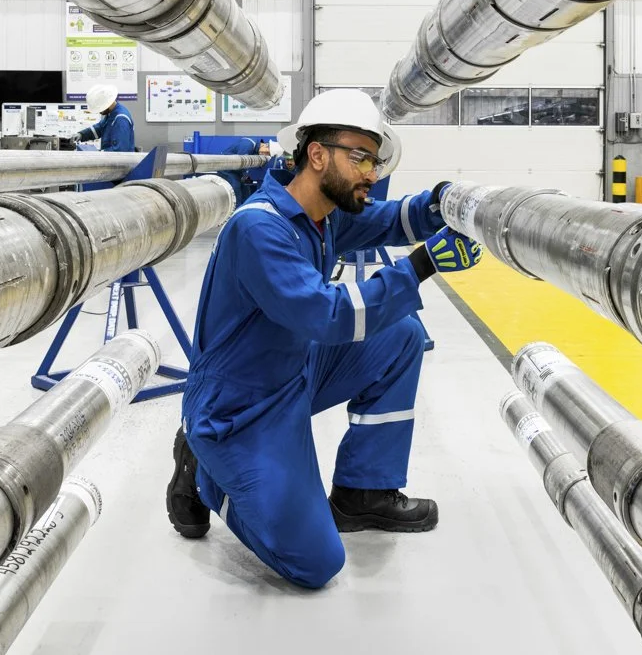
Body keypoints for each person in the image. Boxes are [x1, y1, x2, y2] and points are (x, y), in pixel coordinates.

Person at [165, 88, 483, 589]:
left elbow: (389, 219)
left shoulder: (320, 218)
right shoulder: (260, 230)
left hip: (293, 372)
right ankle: (205, 472)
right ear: (316, 155)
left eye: (374, 161)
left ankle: (364, 492)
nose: (371, 174)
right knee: (316, 564)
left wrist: (441, 203)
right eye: (360, 158)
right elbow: (328, 318)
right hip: (240, 406)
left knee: (400, 334)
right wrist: (422, 265)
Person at [72, 84, 135, 152]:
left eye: (100, 109)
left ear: (107, 104)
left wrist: (99, 154)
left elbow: (119, 150)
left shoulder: (121, 119)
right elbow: (99, 128)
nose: (99, 112)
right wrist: (81, 135)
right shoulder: (111, 114)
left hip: (119, 161)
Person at [217, 137, 275, 205]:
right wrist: (245, 175)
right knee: (236, 188)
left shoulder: (255, 149)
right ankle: (235, 211)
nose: (264, 154)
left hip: (236, 170)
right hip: (226, 169)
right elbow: (241, 163)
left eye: (267, 154)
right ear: (265, 145)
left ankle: (245, 207)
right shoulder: (247, 145)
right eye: (266, 152)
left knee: (246, 190)